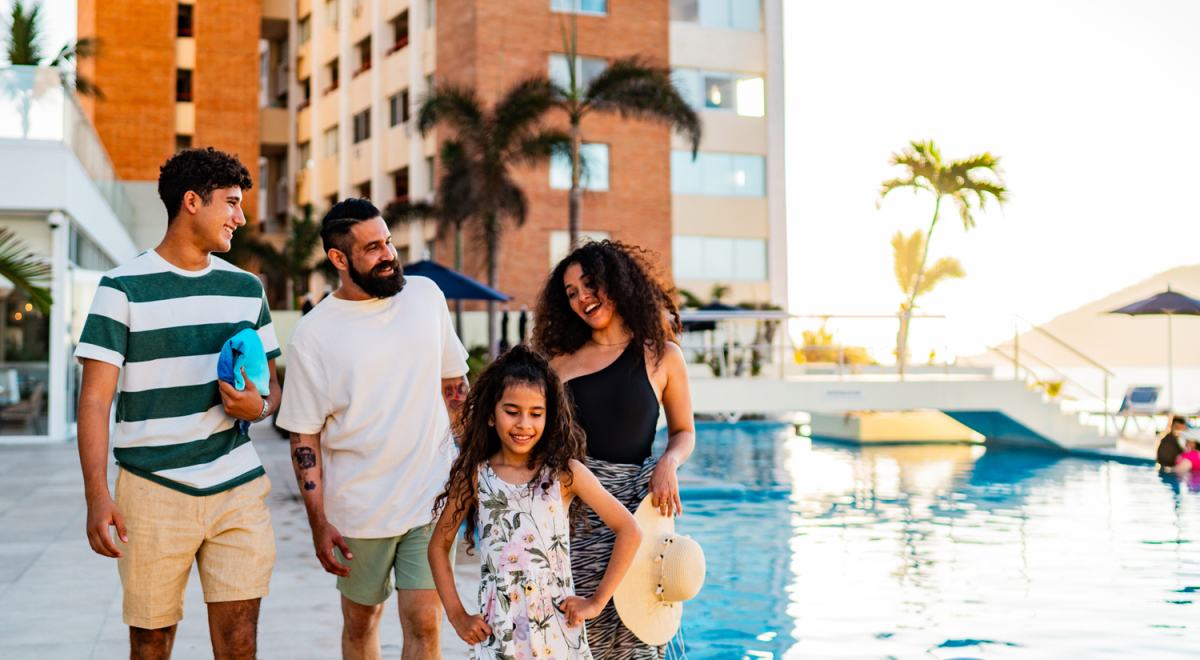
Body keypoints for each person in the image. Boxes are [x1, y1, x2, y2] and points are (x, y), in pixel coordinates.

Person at [75, 147, 281, 660]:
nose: (241, 216)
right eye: (231, 203)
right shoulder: (120, 288)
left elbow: (271, 391)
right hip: (151, 492)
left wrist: (253, 409)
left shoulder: (245, 289)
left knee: (240, 644)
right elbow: (95, 402)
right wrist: (97, 495)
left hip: (236, 487)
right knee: (150, 644)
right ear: (192, 202)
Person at [276, 198, 470, 660]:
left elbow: (455, 388)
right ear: (339, 259)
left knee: (425, 622)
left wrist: (471, 474)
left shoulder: (425, 296)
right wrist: (318, 522)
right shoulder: (312, 335)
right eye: (372, 248)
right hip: (358, 512)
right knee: (362, 622)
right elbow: (304, 437)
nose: (388, 254)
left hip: (430, 499)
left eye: (388, 242)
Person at [533, 240, 696, 660]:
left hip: (638, 513)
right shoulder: (558, 365)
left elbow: (683, 431)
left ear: (617, 282)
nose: (582, 297)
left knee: (636, 636)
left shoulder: (663, 357)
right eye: (571, 293)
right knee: (574, 633)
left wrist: (668, 462)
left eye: (589, 284)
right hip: (574, 516)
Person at [428, 345, 642, 660]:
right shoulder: (476, 476)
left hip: (557, 629)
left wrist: (596, 602)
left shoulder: (565, 473)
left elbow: (630, 529)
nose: (524, 423)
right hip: (499, 632)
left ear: (549, 415)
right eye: (511, 411)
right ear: (490, 414)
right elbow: (438, 546)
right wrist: (457, 614)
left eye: (535, 413)